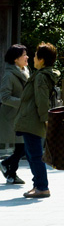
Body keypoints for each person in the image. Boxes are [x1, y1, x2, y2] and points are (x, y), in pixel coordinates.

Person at [13, 42, 60, 198]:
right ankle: (37, 185)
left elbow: (41, 100)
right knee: (33, 154)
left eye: (35, 55)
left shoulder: (40, 76)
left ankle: (42, 186)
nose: (33, 58)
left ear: (42, 59)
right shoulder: (43, 74)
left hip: (33, 121)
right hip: (32, 120)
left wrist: (45, 119)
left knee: (35, 155)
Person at [1, 44, 30, 185]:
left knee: (23, 147)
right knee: (22, 147)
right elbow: (4, 97)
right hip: (12, 116)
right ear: (15, 59)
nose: (27, 57)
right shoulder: (9, 75)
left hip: (22, 116)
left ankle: (8, 167)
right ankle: (10, 171)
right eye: (24, 55)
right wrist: (23, 102)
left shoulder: (25, 70)